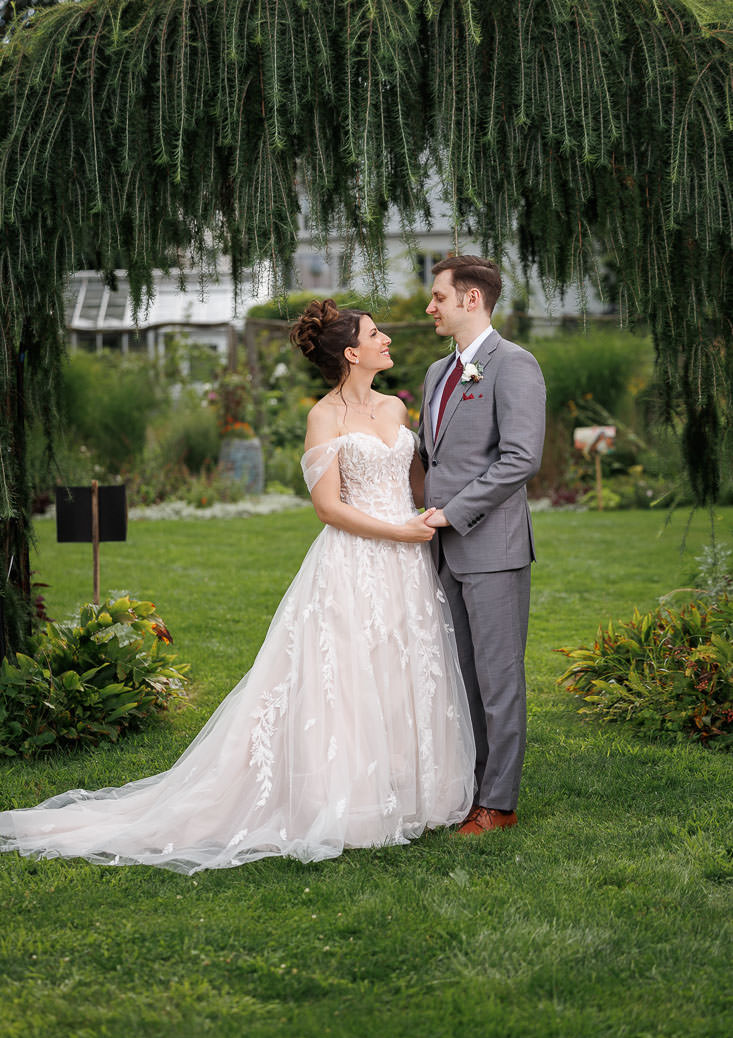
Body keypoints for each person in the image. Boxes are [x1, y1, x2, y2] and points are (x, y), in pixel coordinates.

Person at [0, 299, 474, 874]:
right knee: (346, 677)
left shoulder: (398, 411)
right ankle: (347, 803)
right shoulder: (324, 417)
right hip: (357, 560)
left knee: (402, 668)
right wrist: (397, 532)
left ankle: (406, 790)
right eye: (376, 335)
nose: (387, 341)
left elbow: (412, 477)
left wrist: (423, 518)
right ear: (352, 353)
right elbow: (328, 508)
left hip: (405, 565)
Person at [419, 255, 546, 835]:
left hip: (492, 548)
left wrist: (455, 512)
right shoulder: (436, 374)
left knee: (499, 679)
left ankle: (500, 802)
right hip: (440, 549)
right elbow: (432, 458)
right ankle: (468, 788)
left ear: (471, 300)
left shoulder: (514, 365)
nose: (430, 308)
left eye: (438, 297)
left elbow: (521, 458)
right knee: (460, 675)